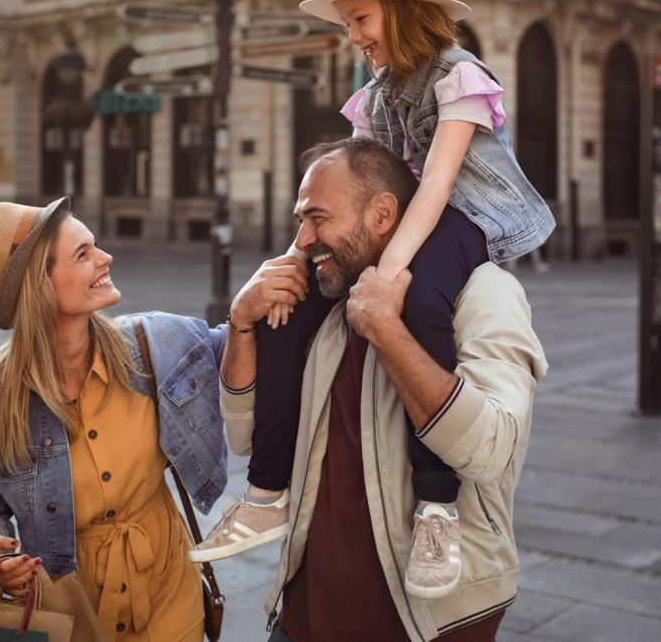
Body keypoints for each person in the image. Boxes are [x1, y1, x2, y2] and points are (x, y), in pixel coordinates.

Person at [192, 0, 553, 601]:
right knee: (295, 301)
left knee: (414, 304)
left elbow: (437, 186)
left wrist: (390, 273)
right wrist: (288, 267)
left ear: (403, 9)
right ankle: (266, 491)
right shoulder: (377, 95)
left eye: (360, 18)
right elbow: (354, 188)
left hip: (466, 213)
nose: (353, 34)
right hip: (404, 210)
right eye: (348, 21)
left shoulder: (459, 76)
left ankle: (436, 507)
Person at [219, 138, 547, 641]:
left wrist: (386, 331)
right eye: (299, 220)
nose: (302, 240)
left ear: (381, 214)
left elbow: (491, 451)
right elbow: (246, 438)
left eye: (318, 218)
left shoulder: (483, 293)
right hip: (303, 618)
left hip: (431, 624)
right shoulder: (325, 303)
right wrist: (241, 322)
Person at [0, 197, 236, 642]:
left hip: (169, 589)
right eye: (82, 255)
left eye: (95, 245)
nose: (105, 258)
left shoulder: (150, 343)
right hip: (69, 612)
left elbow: (237, 343)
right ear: (39, 286)